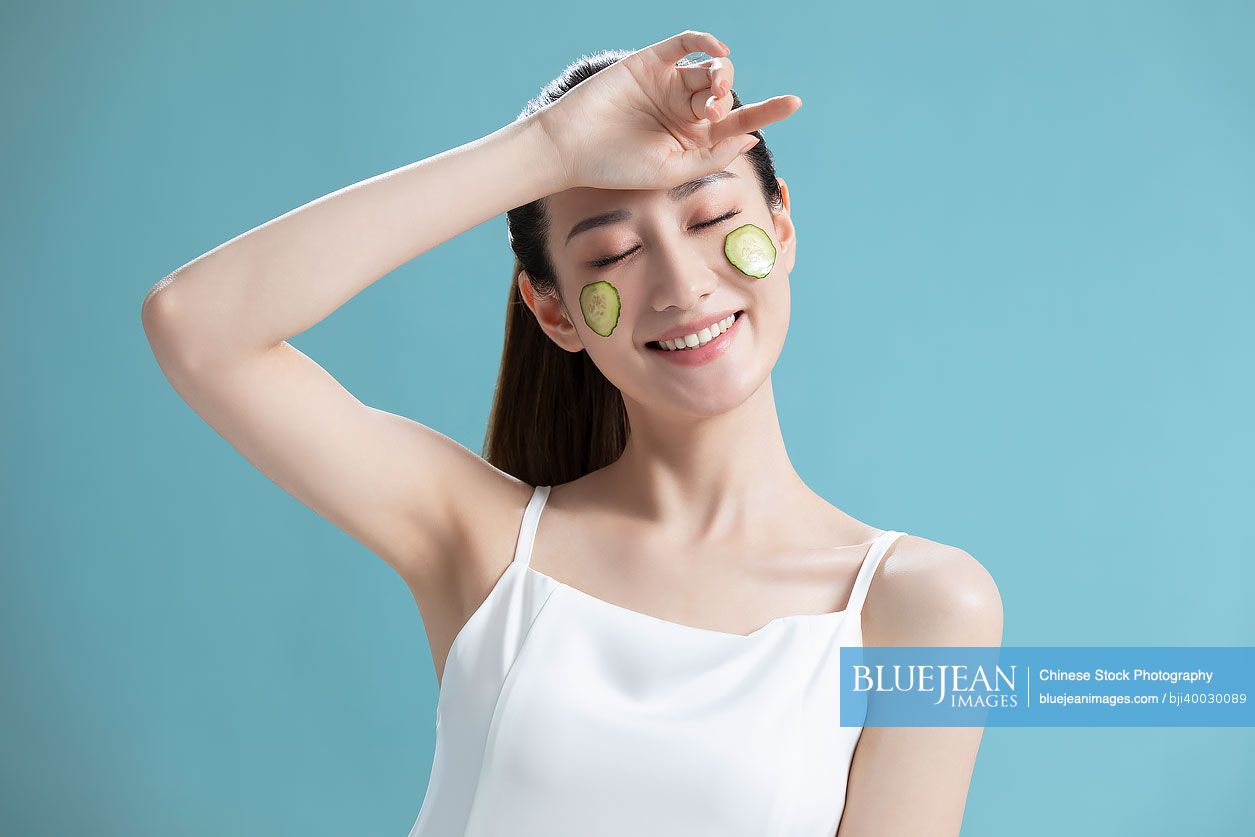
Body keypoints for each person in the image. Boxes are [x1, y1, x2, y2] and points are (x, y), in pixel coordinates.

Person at [142, 28, 1002, 837]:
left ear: (779, 226)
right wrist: (545, 153)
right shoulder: (484, 544)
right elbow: (195, 323)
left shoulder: (920, 608)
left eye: (708, 222)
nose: (681, 286)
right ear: (553, 308)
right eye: (613, 252)